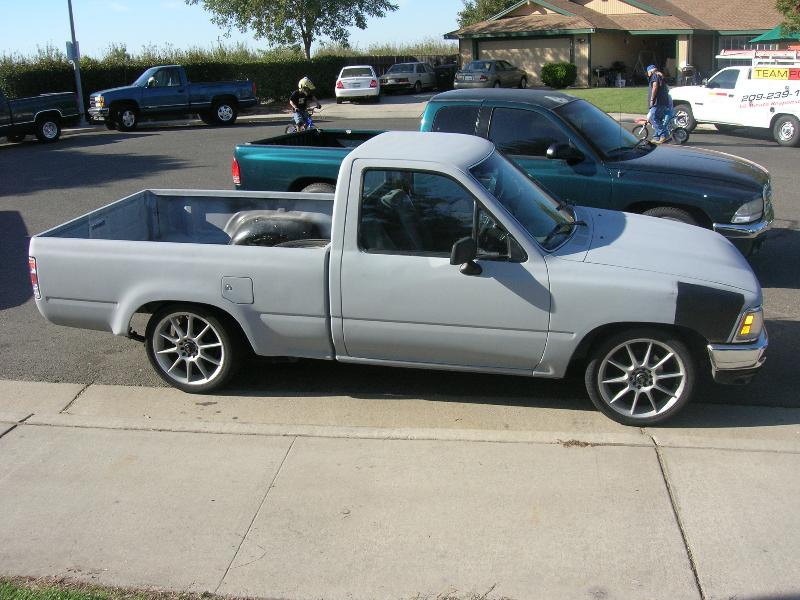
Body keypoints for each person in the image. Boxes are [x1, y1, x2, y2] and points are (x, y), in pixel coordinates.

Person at [646, 64, 671, 143]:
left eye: (648, 72)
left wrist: (652, 99)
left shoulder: (654, 76)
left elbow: (655, 86)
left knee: (652, 118)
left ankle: (664, 135)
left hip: (657, 102)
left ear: (650, 71)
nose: (648, 74)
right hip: (663, 102)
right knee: (658, 120)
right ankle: (657, 137)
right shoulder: (660, 76)